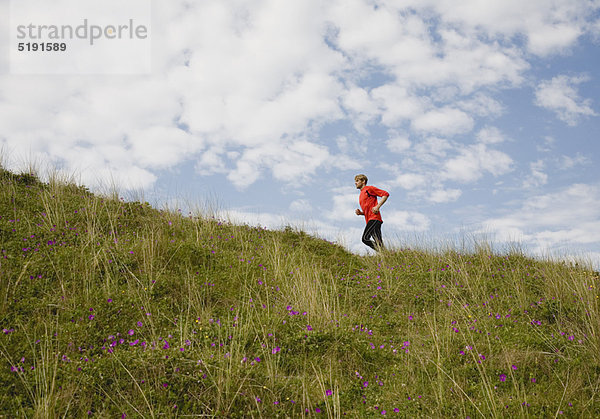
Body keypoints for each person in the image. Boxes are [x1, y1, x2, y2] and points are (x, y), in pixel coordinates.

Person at [354, 174, 389, 251]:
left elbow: (385, 194)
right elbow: (368, 209)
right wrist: (361, 213)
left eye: (357, 181)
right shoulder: (361, 194)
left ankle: (382, 252)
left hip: (374, 219)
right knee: (379, 242)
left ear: (363, 181)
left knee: (365, 239)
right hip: (370, 219)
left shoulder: (369, 189)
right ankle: (386, 255)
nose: (355, 183)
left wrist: (378, 206)